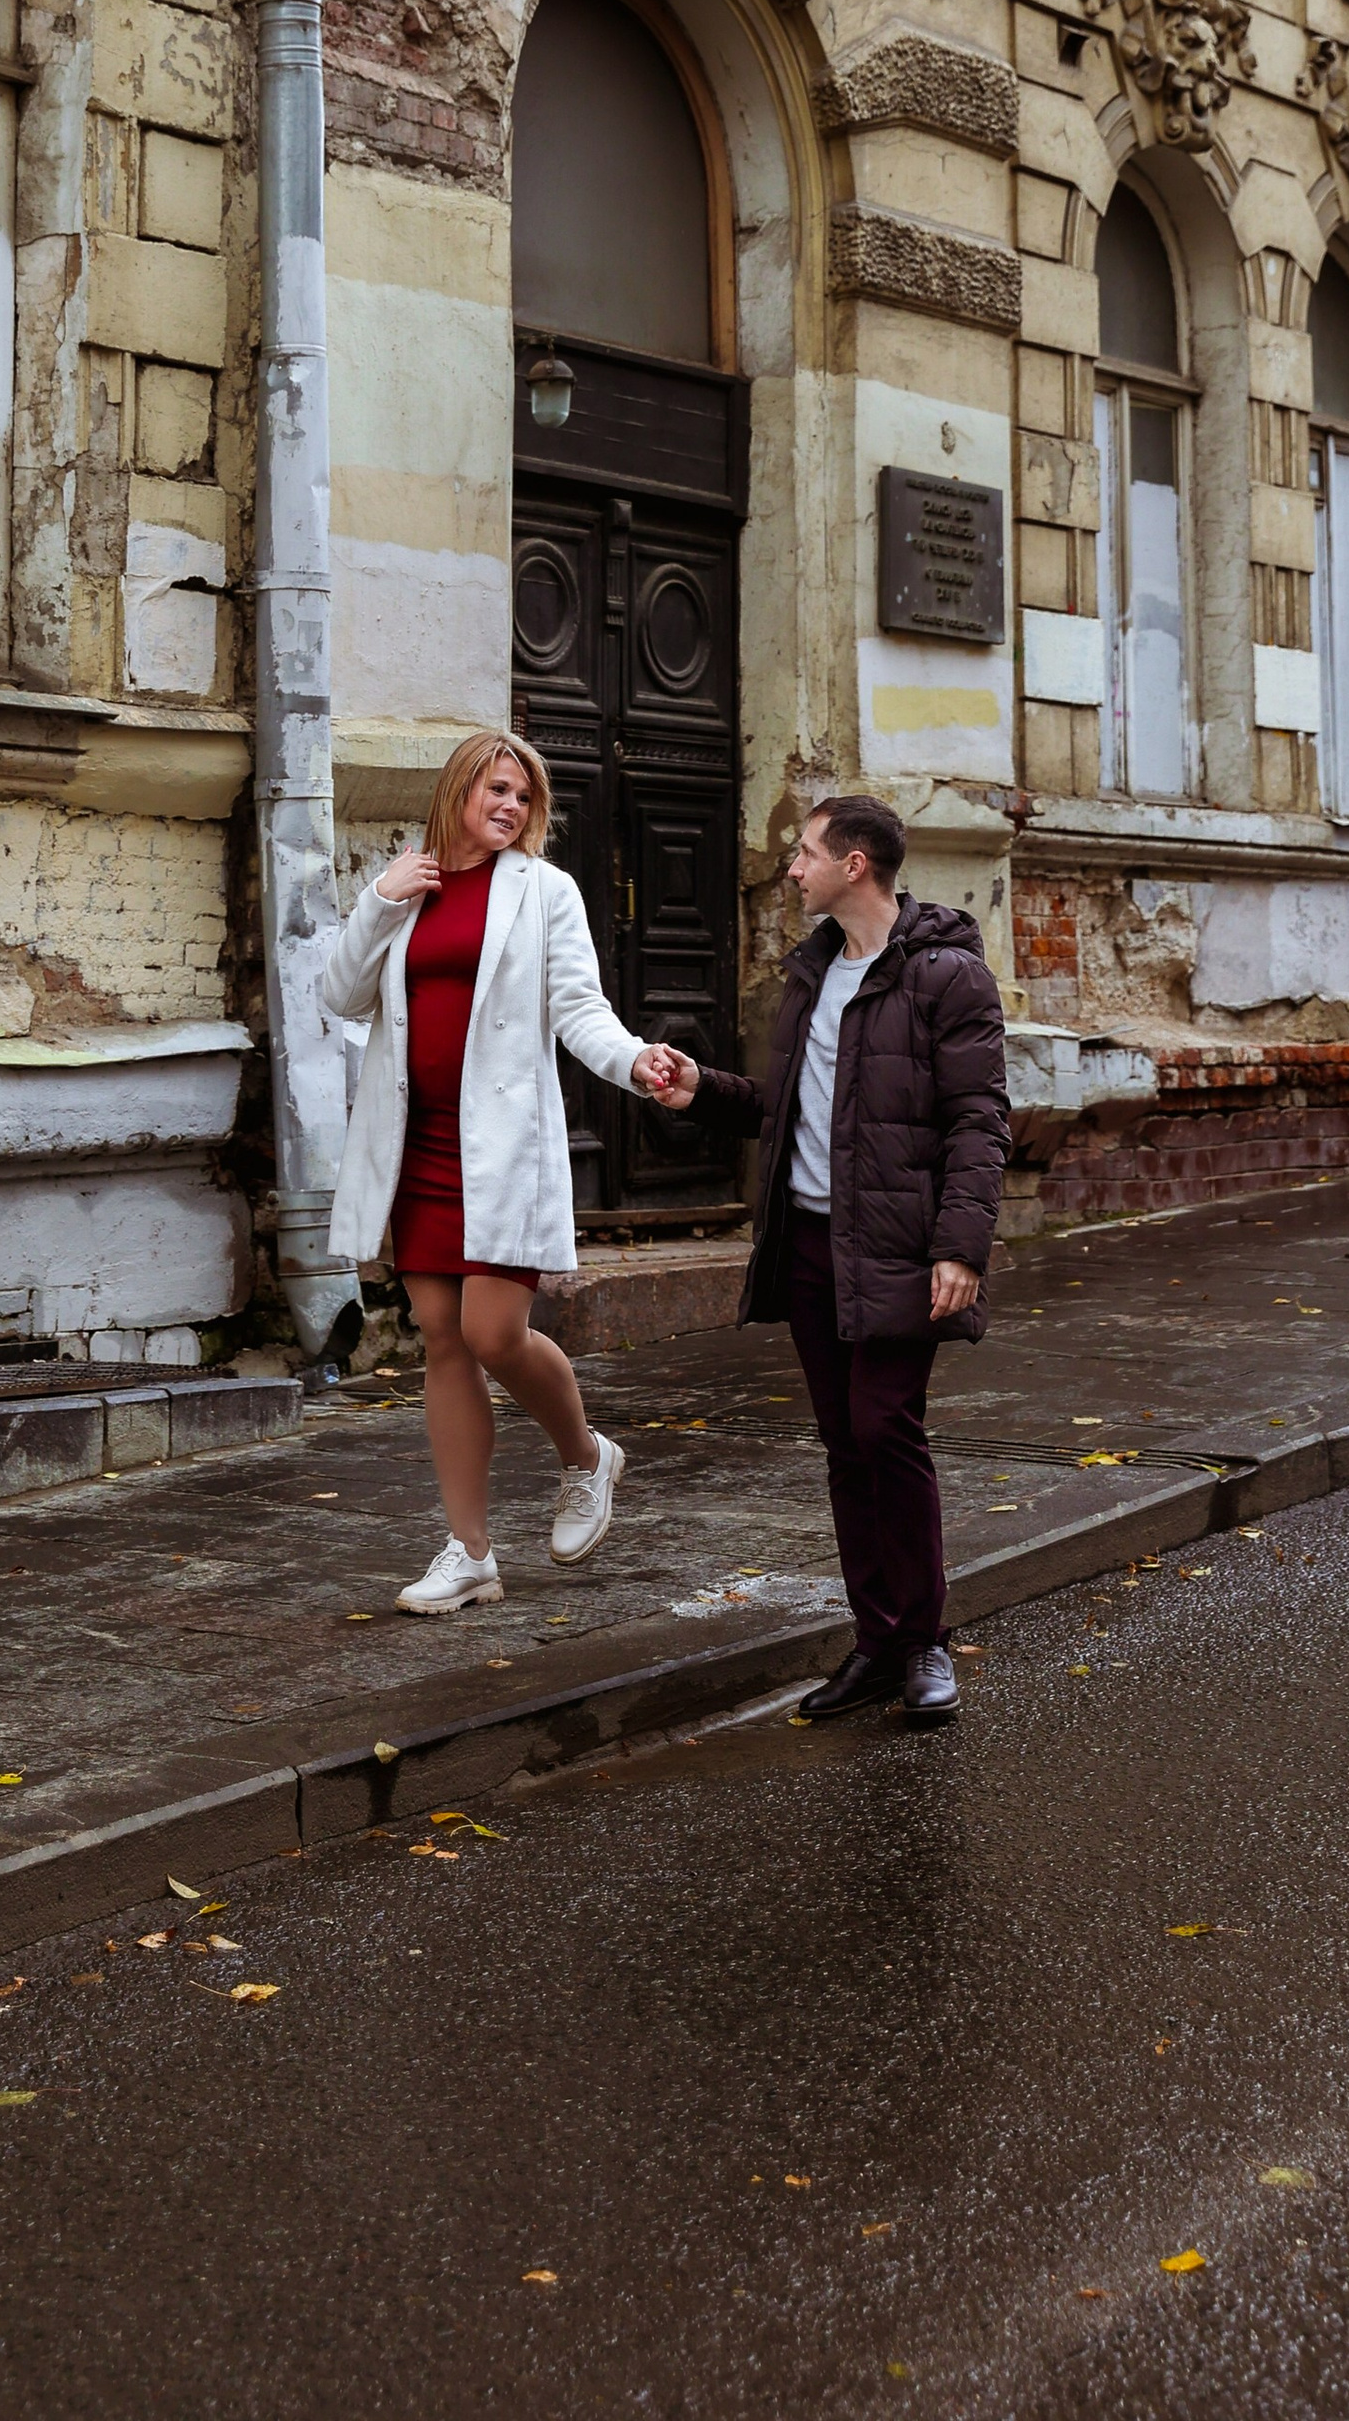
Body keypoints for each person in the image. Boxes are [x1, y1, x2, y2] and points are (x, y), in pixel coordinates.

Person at [651, 793, 1007, 1722]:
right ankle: (877, 1643)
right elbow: (798, 1107)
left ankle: (925, 1642)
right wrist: (705, 1092)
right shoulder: (811, 973)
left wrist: (960, 1246)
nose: (793, 867)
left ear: (855, 865)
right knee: (846, 1444)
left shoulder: (946, 977)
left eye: (807, 852)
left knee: (888, 1429)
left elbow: (979, 1122)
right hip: (810, 1243)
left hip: (897, 1244)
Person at [321, 726, 688, 1614]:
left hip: (503, 1146)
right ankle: (470, 1552)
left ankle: (586, 1456)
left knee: (492, 1332)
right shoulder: (409, 885)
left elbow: (578, 1006)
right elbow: (339, 994)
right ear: (458, 792)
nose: (510, 807)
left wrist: (634, 1061)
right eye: (495, 789)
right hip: (418, 1146)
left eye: (522, 796)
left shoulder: (543, 891)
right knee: (441, 1338)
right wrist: (379, 898)